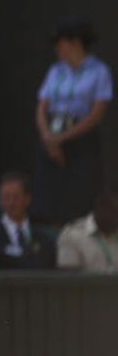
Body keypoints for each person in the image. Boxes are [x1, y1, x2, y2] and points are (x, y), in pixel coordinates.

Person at [33, 19, 111, 225]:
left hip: (80, 139)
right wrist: (49, 138)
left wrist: (63, 138)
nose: (57, 48)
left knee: (80, 197)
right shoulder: (55, 70)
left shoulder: (99, 71)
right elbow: (41, 106)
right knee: (49, 196)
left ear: (74, 43)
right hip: (53, 134)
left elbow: (96, 114)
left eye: (60, 42)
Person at [0, 172, 57, 270]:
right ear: (0, 200)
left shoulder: (44, 239)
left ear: (27, 199)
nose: (11, 203)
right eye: (6, 197)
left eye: (16, 197)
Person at [57, 187, 118, 274]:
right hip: (85, 287)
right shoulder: (73, 234)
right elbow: (68, 279)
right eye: (116, 214)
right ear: (101, 209)